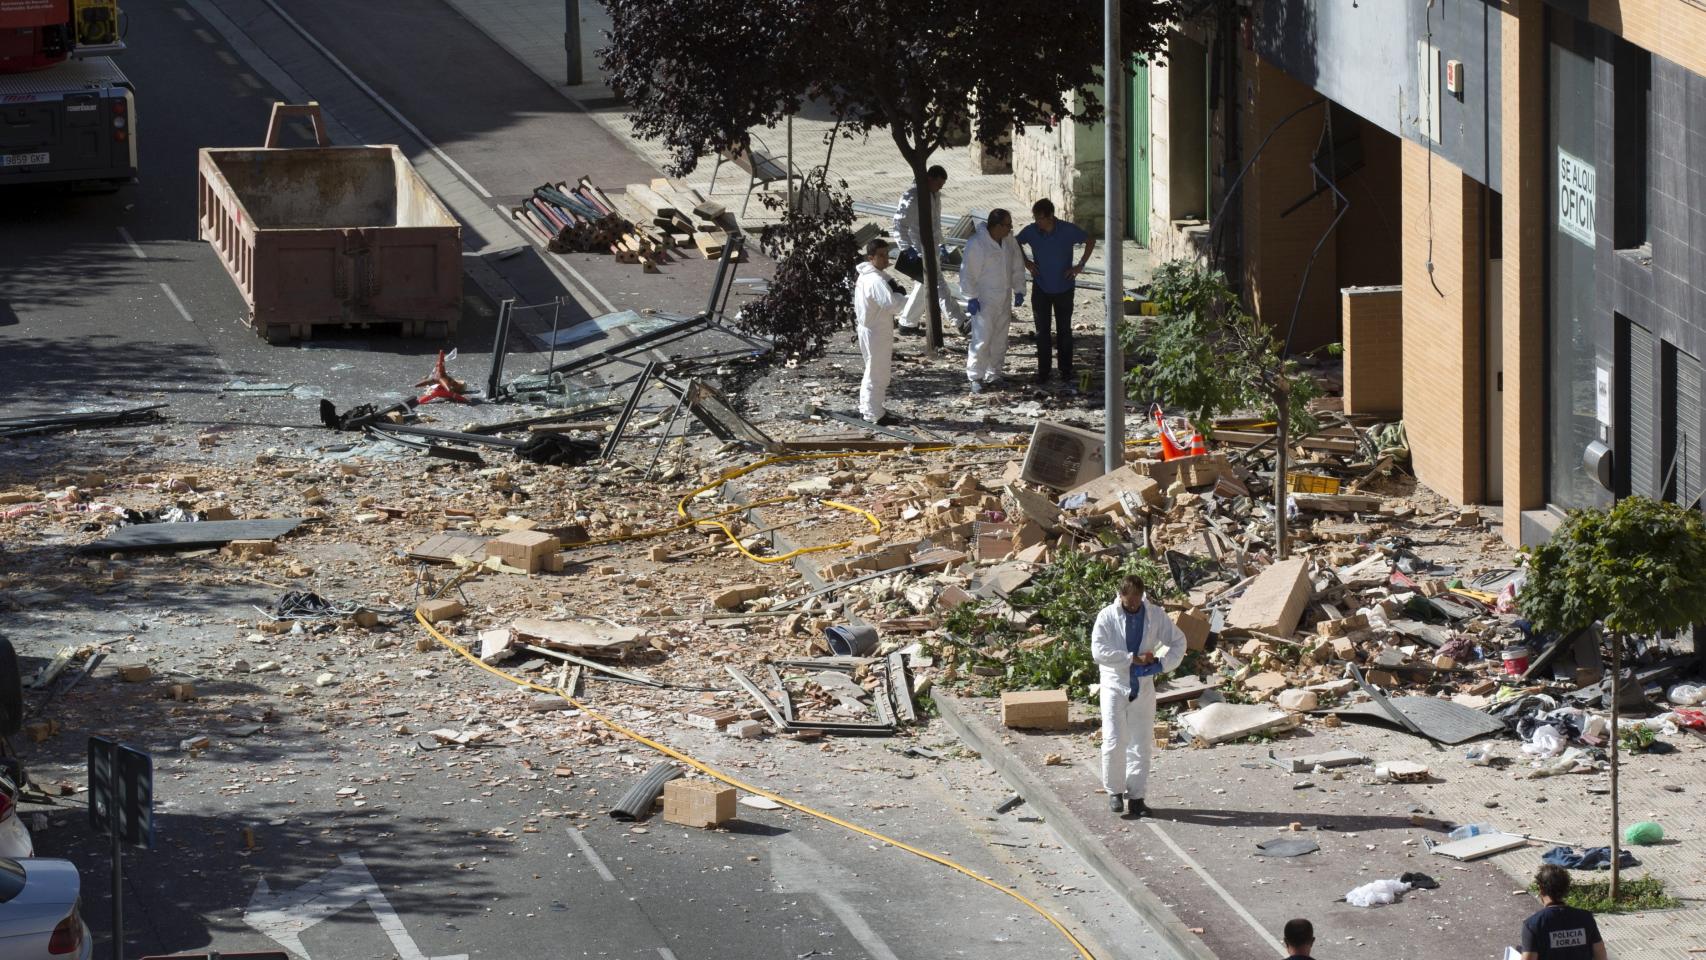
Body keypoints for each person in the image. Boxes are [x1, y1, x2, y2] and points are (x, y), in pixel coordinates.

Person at [1089, 575, 1185, 815]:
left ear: (1142, 596)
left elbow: (1178, 641)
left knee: (1141, 742)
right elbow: (1098, 651)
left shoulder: (1154, 615)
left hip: (1143, 684)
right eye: (1128, 601)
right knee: (1114, 739)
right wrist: (1131, 658)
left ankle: (1137, 797)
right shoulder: (1107, 616)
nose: (1133, 606)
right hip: (1114, 683)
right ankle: (1114, 791)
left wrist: (1162, 665)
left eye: (1136, 601)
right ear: (1120, 596)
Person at [1015, 197, 1095, 390]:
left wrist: (1080, 266)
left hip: (1064, 287)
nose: (1038, 223)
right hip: (1041, 287)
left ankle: (1066, 370)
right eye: (1035, 218)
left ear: (1050, 216)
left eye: (1040, 219)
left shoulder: (1068, 230)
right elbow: (1015, 242)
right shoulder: (1032, 231)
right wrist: (1026, 262)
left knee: (1064, 331)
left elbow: (1090, 240)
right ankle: (1043, 372)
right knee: (1042, 332)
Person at [891, 165, 969, 335]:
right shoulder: (912, 197)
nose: (940, 188)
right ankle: (960, 321)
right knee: (939, 285)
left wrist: (941, 244)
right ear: (929, 179)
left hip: (932, 248)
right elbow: (899, 225)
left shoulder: (935, 195)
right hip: (919, 250)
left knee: (924, 286)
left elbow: (936, 224)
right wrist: (906, 248)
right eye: (938, 184)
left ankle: (907, 323)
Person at [959, 208, 1027, 394]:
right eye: (1007, 225)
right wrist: (970, 297)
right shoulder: (977, 243)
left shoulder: (1009, 240)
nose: (1010, 229)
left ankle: (994, 373)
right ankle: (975, 376)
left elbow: (1017, 265)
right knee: (982, 339)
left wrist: (1019, 289)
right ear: (996, 226)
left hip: (1004, 297)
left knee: (1000, 339)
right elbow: (968, 272)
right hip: (984, 299)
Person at [852, 238, 902, 425]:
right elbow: (893, 306)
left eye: (887, 254)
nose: (885, 259)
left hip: (870, 328)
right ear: (870, 257)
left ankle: (869, 409)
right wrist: (901, 294)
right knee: (877, 373)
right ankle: (873, 413)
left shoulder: (867, 275)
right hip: (876, 331)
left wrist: (892, 285)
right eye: (881, 255)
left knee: (873, 370)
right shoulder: (875, 280)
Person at [1521, 865, 1608, 960]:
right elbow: (1601, 955)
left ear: (1541, 890)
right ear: (1565, 889)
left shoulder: (1533, 925)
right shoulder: (1586, 918)